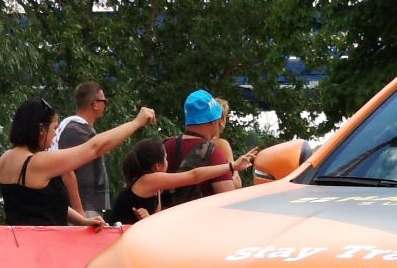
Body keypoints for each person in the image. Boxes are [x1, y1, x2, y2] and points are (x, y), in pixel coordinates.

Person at [0, 97, 153, 226]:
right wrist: (136, 123)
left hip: (17, 246)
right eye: (54, 128)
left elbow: (42, 204)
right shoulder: (38, 163)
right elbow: (95, 148)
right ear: (40, 129)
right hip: (41, 250)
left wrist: (83, 221)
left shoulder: (5, 158)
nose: (54, 137)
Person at [107, 138, 259, 224]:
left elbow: (155, 221)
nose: (168, 161)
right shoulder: (150, 179)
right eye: (166, 158)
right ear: (158, 166)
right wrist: (232, 166)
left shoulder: (155, 186)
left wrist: (147, 219)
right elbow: (194, 176)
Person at [162, 89, 256, 207]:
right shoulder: (212, 152)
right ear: (212, 121)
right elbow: (229, 199)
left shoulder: (166, 145)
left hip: (166, 221)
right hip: (200, 222)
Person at [50, 81, 113, 219]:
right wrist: (80, 214)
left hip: (88, 205)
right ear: (95, 104)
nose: (105, 105)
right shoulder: (76, 130)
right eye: (104, 101)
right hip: (83, 207)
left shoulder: (81, 129)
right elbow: (67, 170)